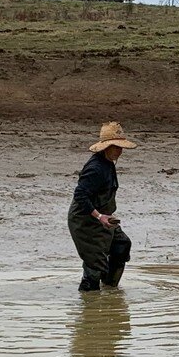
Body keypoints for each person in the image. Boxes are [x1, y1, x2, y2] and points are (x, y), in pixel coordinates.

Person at [68, 121, 136, 292]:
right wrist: (99, 216)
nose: (120, 151)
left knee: (122, 245)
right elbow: (80, 195)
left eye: (121, 147)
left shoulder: (109, 163)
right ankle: (89, 297)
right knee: (94, 266)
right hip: (86, 221)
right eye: (116, 147)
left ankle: (110, 289)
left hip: (103, 217)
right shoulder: (96, 169)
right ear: (106, 147)